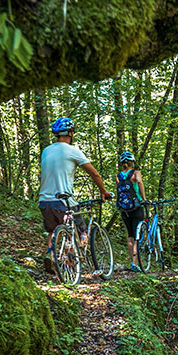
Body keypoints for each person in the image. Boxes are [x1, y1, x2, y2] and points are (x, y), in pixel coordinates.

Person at [39, 117, 112, 274]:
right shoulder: (72, 151)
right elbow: (94, 173)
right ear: (70, 133)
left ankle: (50, 254)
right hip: (63, 201)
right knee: (79, 230)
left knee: (53, 230)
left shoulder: (46, 150)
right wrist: (103, 191)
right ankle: (70, 263)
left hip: (44, 201)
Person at [115, 151, 148, 272]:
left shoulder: (118, 176)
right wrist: (144, 199)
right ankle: (135, 263)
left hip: (124, 209)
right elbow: (139, 182)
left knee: (130, 235)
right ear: (132, 162)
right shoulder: (135, 173)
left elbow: (117, 190)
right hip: (136, 207)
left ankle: (132, 260)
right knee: (137, 235)